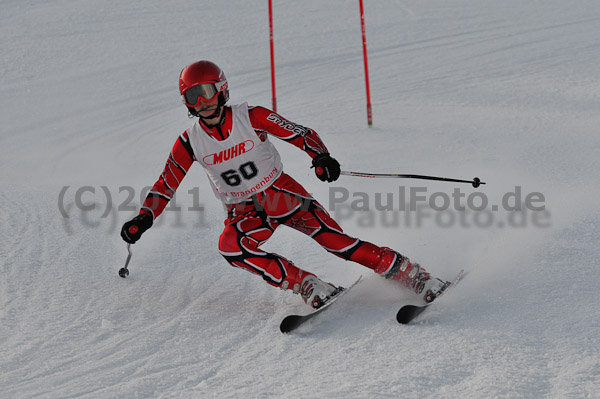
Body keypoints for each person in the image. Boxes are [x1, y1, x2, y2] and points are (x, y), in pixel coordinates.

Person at [121, 60, 449, 309]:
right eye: (192, 96)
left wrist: (320, 157)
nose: (202, 101)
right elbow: (165, 184)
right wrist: (143, 217)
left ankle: (415, 276)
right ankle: (306, 284)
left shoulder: (252, 116)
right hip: (246, 210)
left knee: (337, 244)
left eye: (206, 91)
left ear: (221, 89)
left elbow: (300, 133)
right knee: (230, 246)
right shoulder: (189, 142)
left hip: (283, 196)